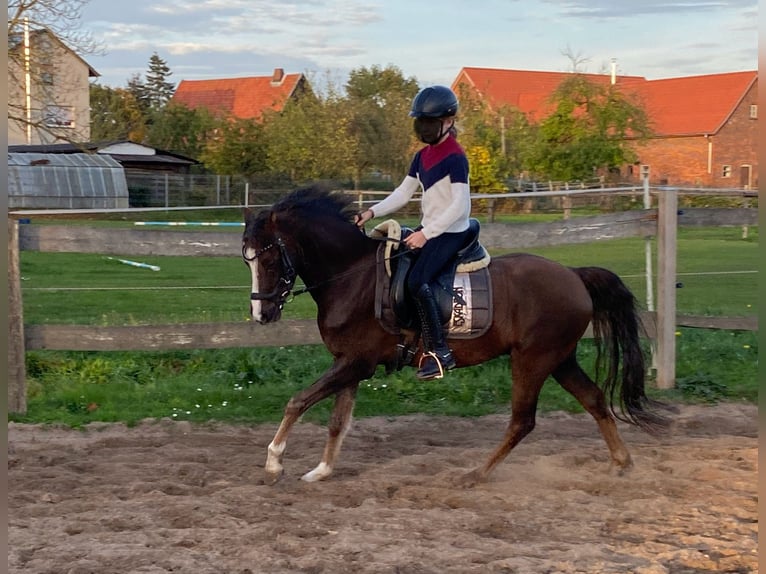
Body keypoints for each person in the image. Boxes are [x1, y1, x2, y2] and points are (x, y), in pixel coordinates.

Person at [355, 85, 472, 380]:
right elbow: (403, 193)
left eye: (430, 122)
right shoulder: (421, 157)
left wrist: (426, 234)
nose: (424, 128)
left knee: (419, 281)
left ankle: (440, 352)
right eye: (420, 122)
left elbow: (459, 205)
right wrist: (371, 212)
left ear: (448, 122)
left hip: (452, 231)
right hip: (432, 228)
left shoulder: (456, 157)